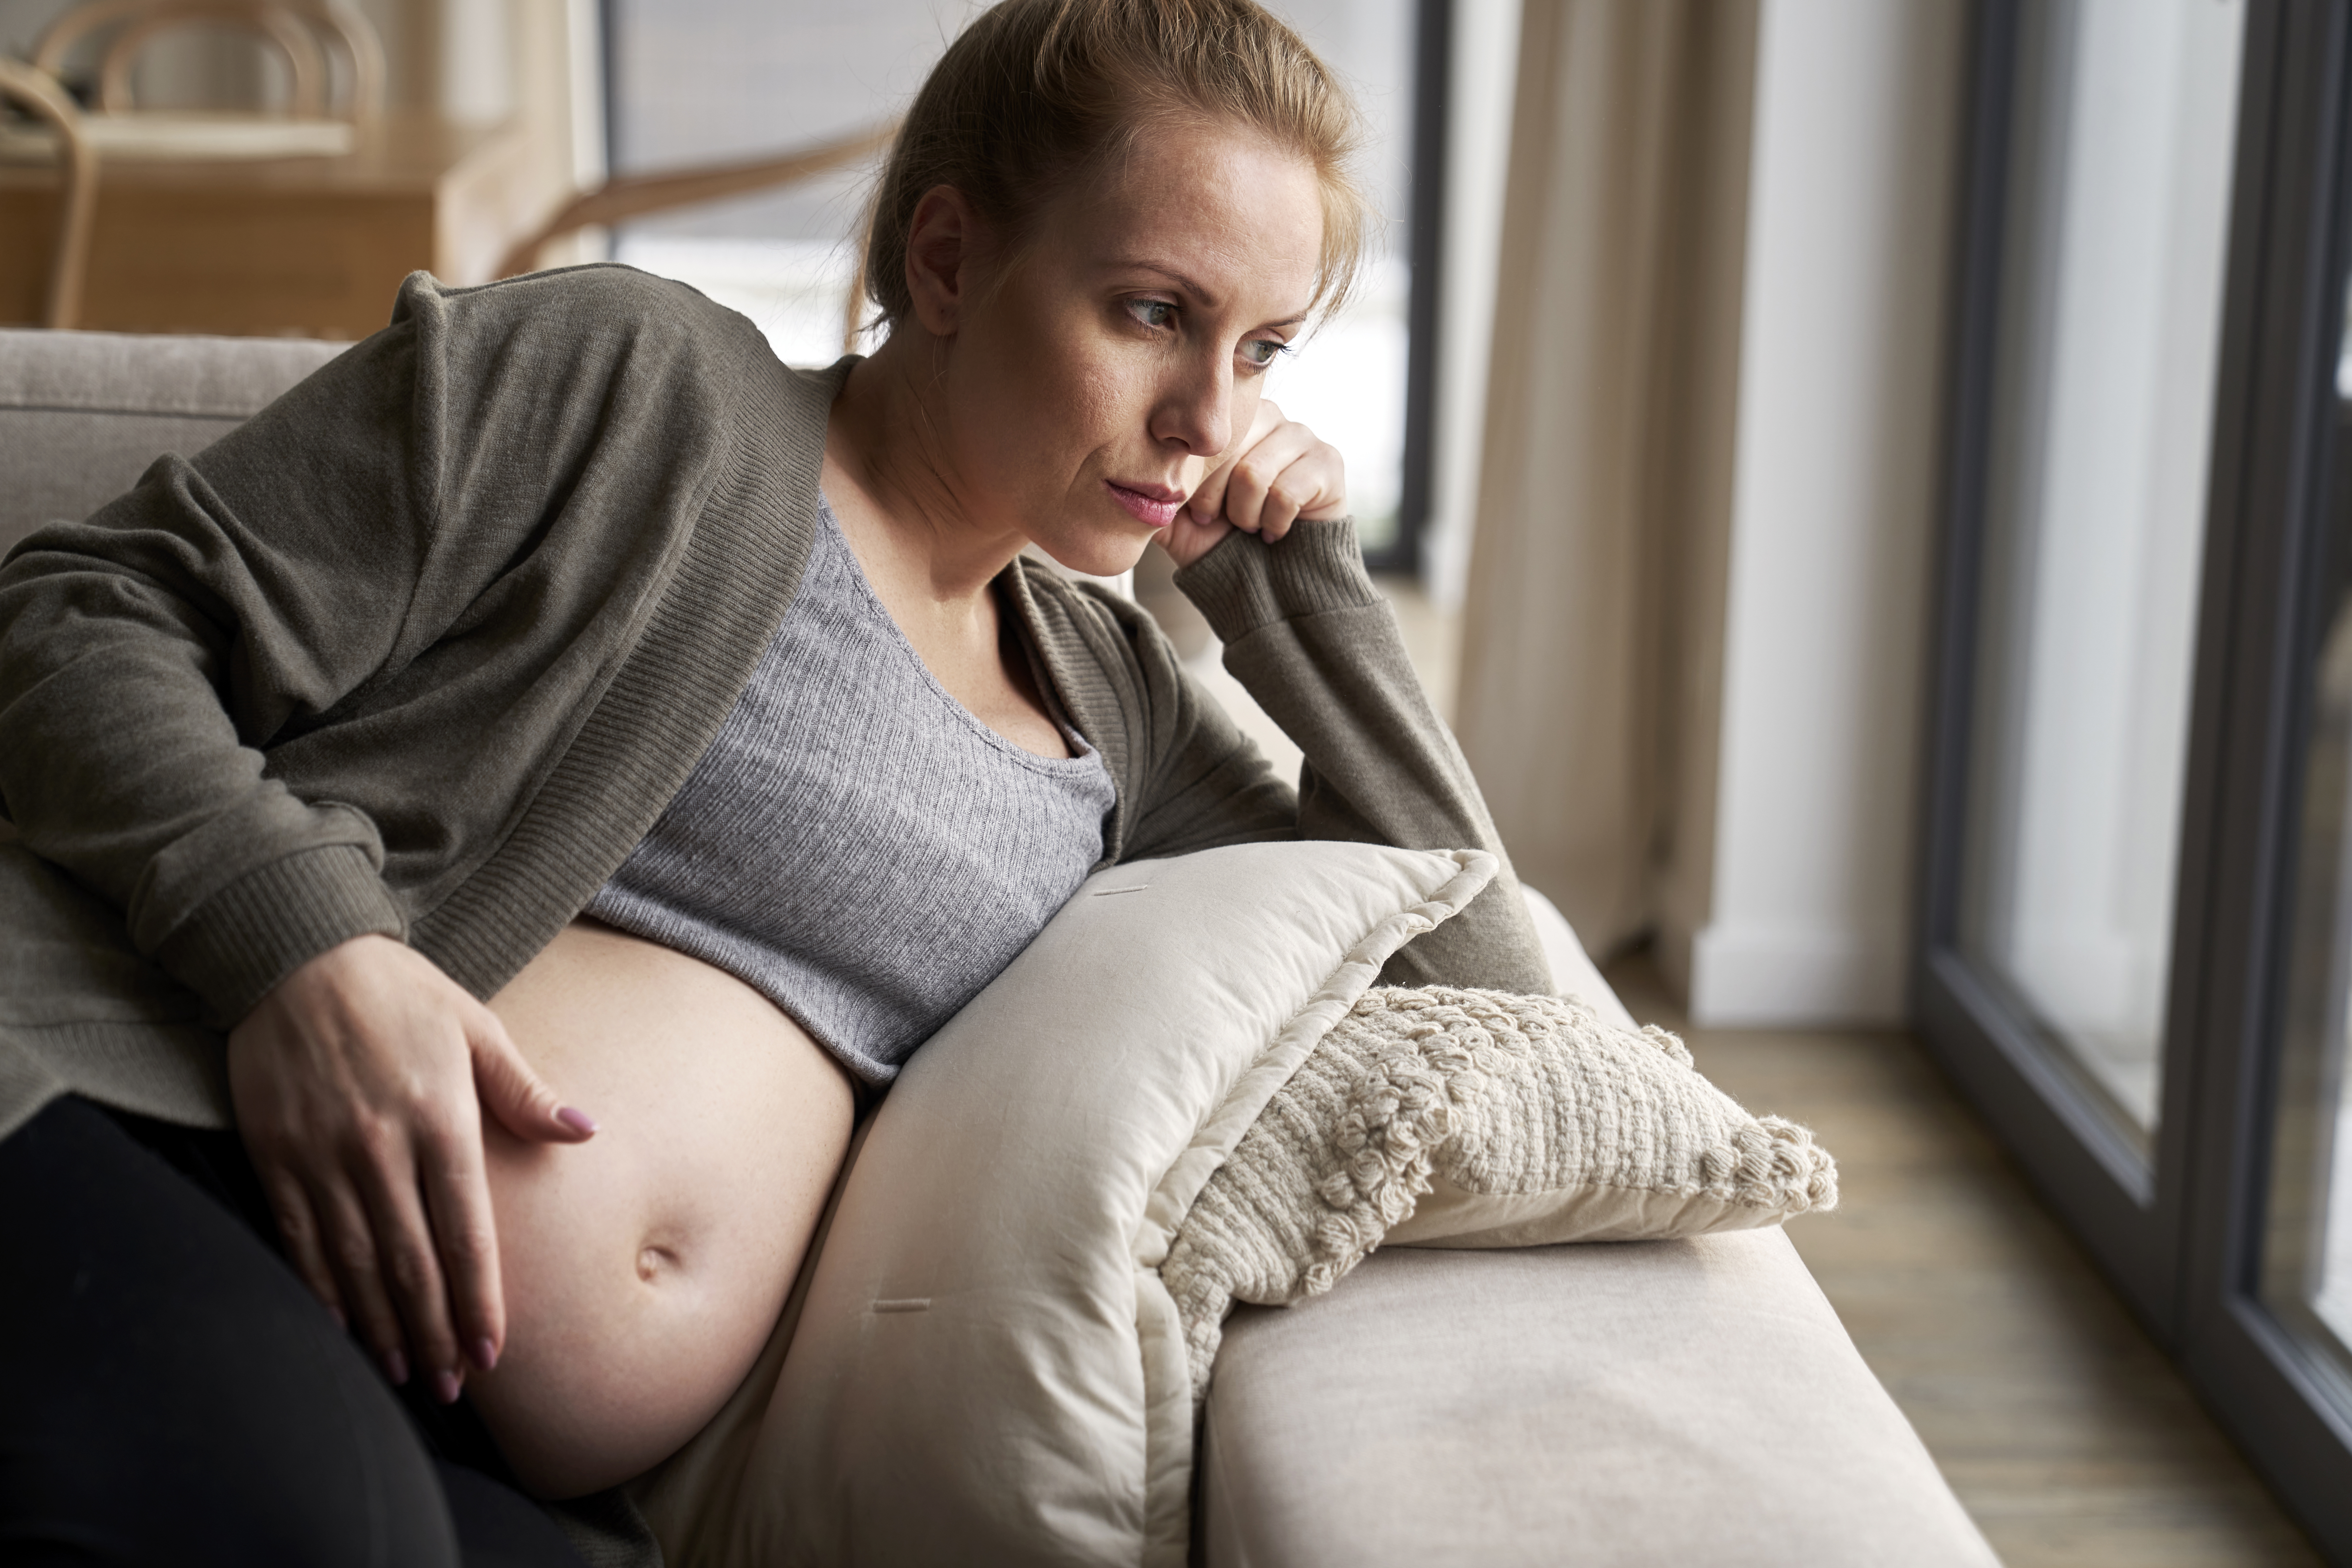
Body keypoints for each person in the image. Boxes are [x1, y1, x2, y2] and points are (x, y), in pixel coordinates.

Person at [0, 0, 1547, 1561]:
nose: (1211, 421)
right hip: (156, 1130)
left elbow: (1481, 998)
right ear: (945, 261)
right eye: (1152, 312)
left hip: (449, 1404)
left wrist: (1306, 608)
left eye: (1264, 350)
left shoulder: (1120, 704)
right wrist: (308, 957)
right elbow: (73, 620)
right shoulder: (634, 385)